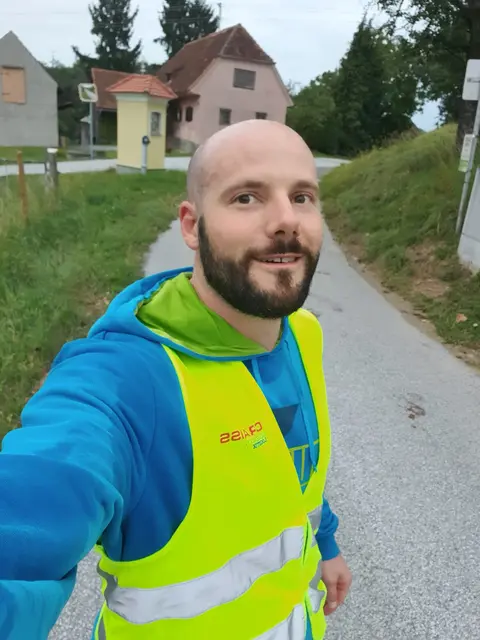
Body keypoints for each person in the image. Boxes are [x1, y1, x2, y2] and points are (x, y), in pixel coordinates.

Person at [0, 119, 352, 639]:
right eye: (246, 197)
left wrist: (326, 543)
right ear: (191, 226)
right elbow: (31, 509)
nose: (286, 220)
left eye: (302, 197)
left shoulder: (303, 332)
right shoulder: (127, 380)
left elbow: (292, 470)